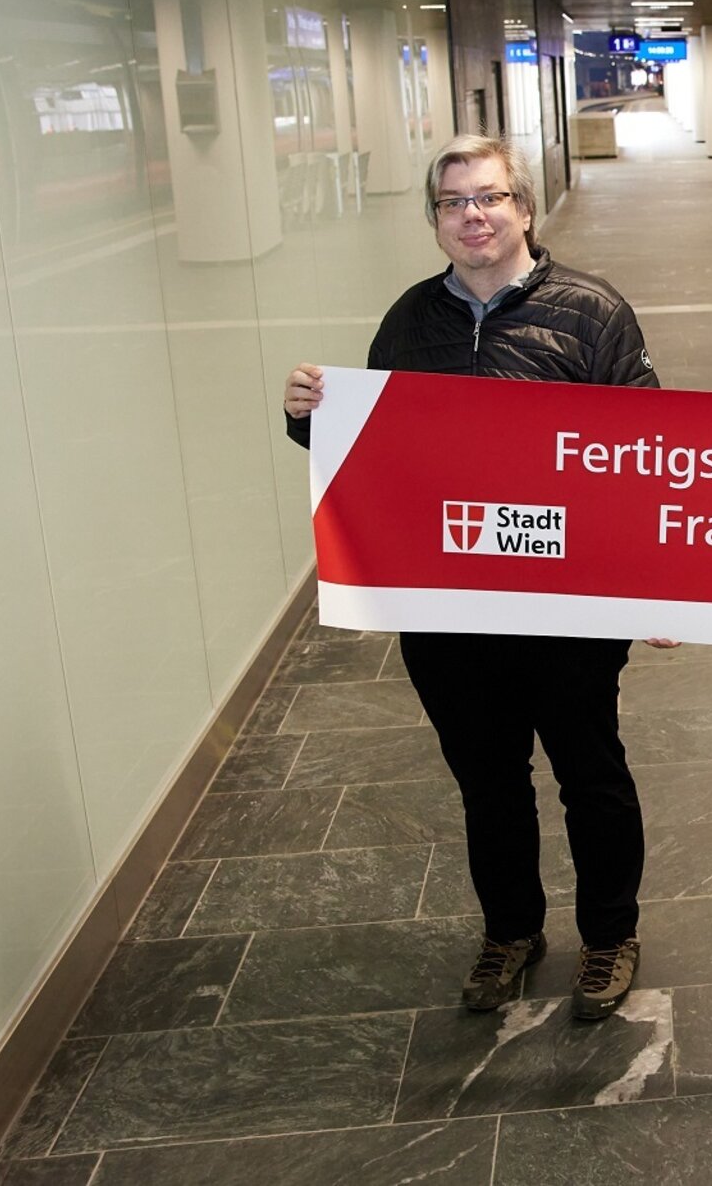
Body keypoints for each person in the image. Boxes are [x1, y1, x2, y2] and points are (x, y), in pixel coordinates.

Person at [283, 133, 668, 1021]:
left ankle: (609, 935)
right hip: (450, 607)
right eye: (454, 203)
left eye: (489, 197)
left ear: (523, 208)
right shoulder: (410, 320)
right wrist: (309, 419)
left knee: (590, 774)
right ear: (435, 222)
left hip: (566, 601)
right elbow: (372, 455)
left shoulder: (591, 313)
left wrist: (655, 585)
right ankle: (511, 931)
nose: (474, 215)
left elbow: (647, 454)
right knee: (486, 782)